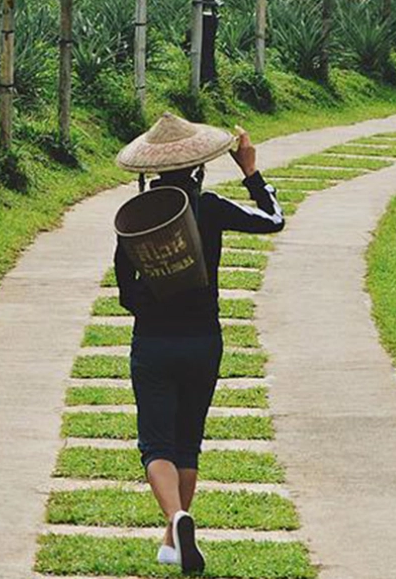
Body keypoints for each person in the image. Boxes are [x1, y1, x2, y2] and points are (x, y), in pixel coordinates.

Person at [111, 115, 285, 573]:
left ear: (152, 172)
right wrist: (250, 171)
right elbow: (272, 220)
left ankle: (175, 522)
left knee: (155, 445)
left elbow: (126, 291)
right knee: (187, 444)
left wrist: (150, 307)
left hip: (152, 342)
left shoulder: (135, 219)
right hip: (204, 341)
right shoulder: (209, 207)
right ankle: (176, 533)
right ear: (199, 166)